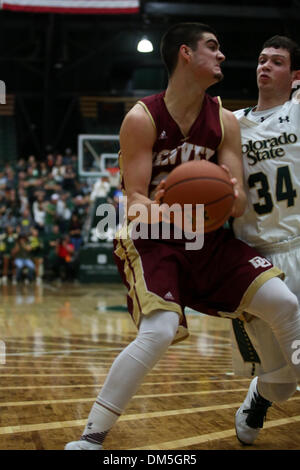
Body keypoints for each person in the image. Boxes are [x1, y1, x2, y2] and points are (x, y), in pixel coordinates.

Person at [65, 23, 300, 451]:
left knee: (284, 303)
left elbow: (240, 202)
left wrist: (229, 195)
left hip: (207, 239)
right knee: (159, 330)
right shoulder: (142, 117)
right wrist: (178, 211)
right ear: (186, 55)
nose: (223, 55)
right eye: (213, 46)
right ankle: (92, 436)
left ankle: (268, 392)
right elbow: (133, 200)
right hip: (152, 238)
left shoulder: (225, 120)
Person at [231, 35, 300, 445]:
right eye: (261, 59)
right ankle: (260, 395)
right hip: (257, 259)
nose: (265, 66)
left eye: (276, 61)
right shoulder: (231, 123)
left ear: (295, 77)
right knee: (283, 382)